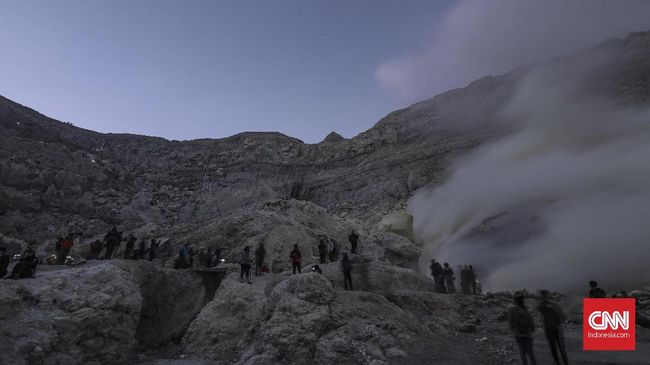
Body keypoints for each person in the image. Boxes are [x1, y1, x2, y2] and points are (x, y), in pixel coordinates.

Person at [537, 290, 568, 365]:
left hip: (557, 328)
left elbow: (562, 313)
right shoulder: (542, 306)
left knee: (561, 348)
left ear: (547, 296)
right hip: (548, 329)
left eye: (544, 295)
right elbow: (538, 309)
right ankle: (557, 362)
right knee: (553, 348)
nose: (543, 297)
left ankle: (565, 362)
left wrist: (562, 322)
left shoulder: (553, 304)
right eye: (542, 296)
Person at [508, 292, 537, 365]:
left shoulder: (513, 309)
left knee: (522, 353)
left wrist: (513, 329)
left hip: (519, 334)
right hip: (528, 334)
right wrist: (532, 329)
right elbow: (531, 321)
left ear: (516, 300)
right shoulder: (526, 309)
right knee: (531, 353)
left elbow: (511, 322)